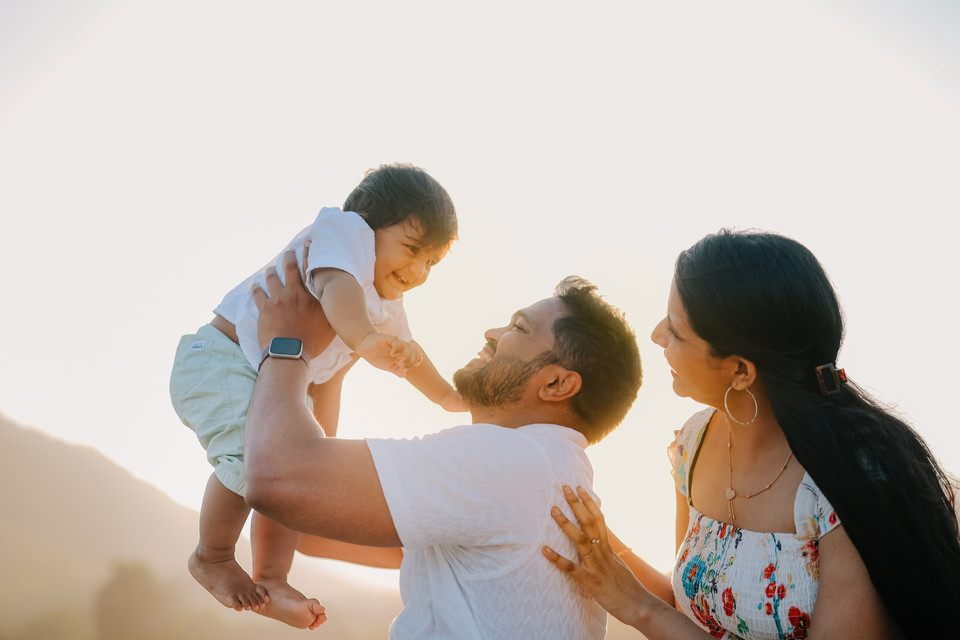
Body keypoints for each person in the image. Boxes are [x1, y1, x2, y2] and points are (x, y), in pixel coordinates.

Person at [543, 229, 960, 639]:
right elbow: (691, 611)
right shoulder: (693, 442)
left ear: (740, 371)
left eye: (676, 330)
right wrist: (603, 545)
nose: (656, 335)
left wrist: (637, 607)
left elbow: (653, 612)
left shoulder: (850, 481)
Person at [243, 250, 643, 639]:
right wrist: (330, 365)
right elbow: (310, 522)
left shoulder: (507, 461)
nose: (492, 333)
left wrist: (287, 346)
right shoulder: (546, 469)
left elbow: (277, 479)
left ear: (556, 384)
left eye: (518, 328)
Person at [169, 163, 465, 629]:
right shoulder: (344, 233)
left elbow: (405, 358)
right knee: (252, 458)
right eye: (411, 250)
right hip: (221, 360)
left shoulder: (385, 305)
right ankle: (213, 555)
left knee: (292, 469)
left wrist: (448, 397)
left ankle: (272, 575)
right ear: (369, 223)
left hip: (267, 379)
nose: (418, 271)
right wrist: (366, 339)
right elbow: (335, 286)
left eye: (431, 262)